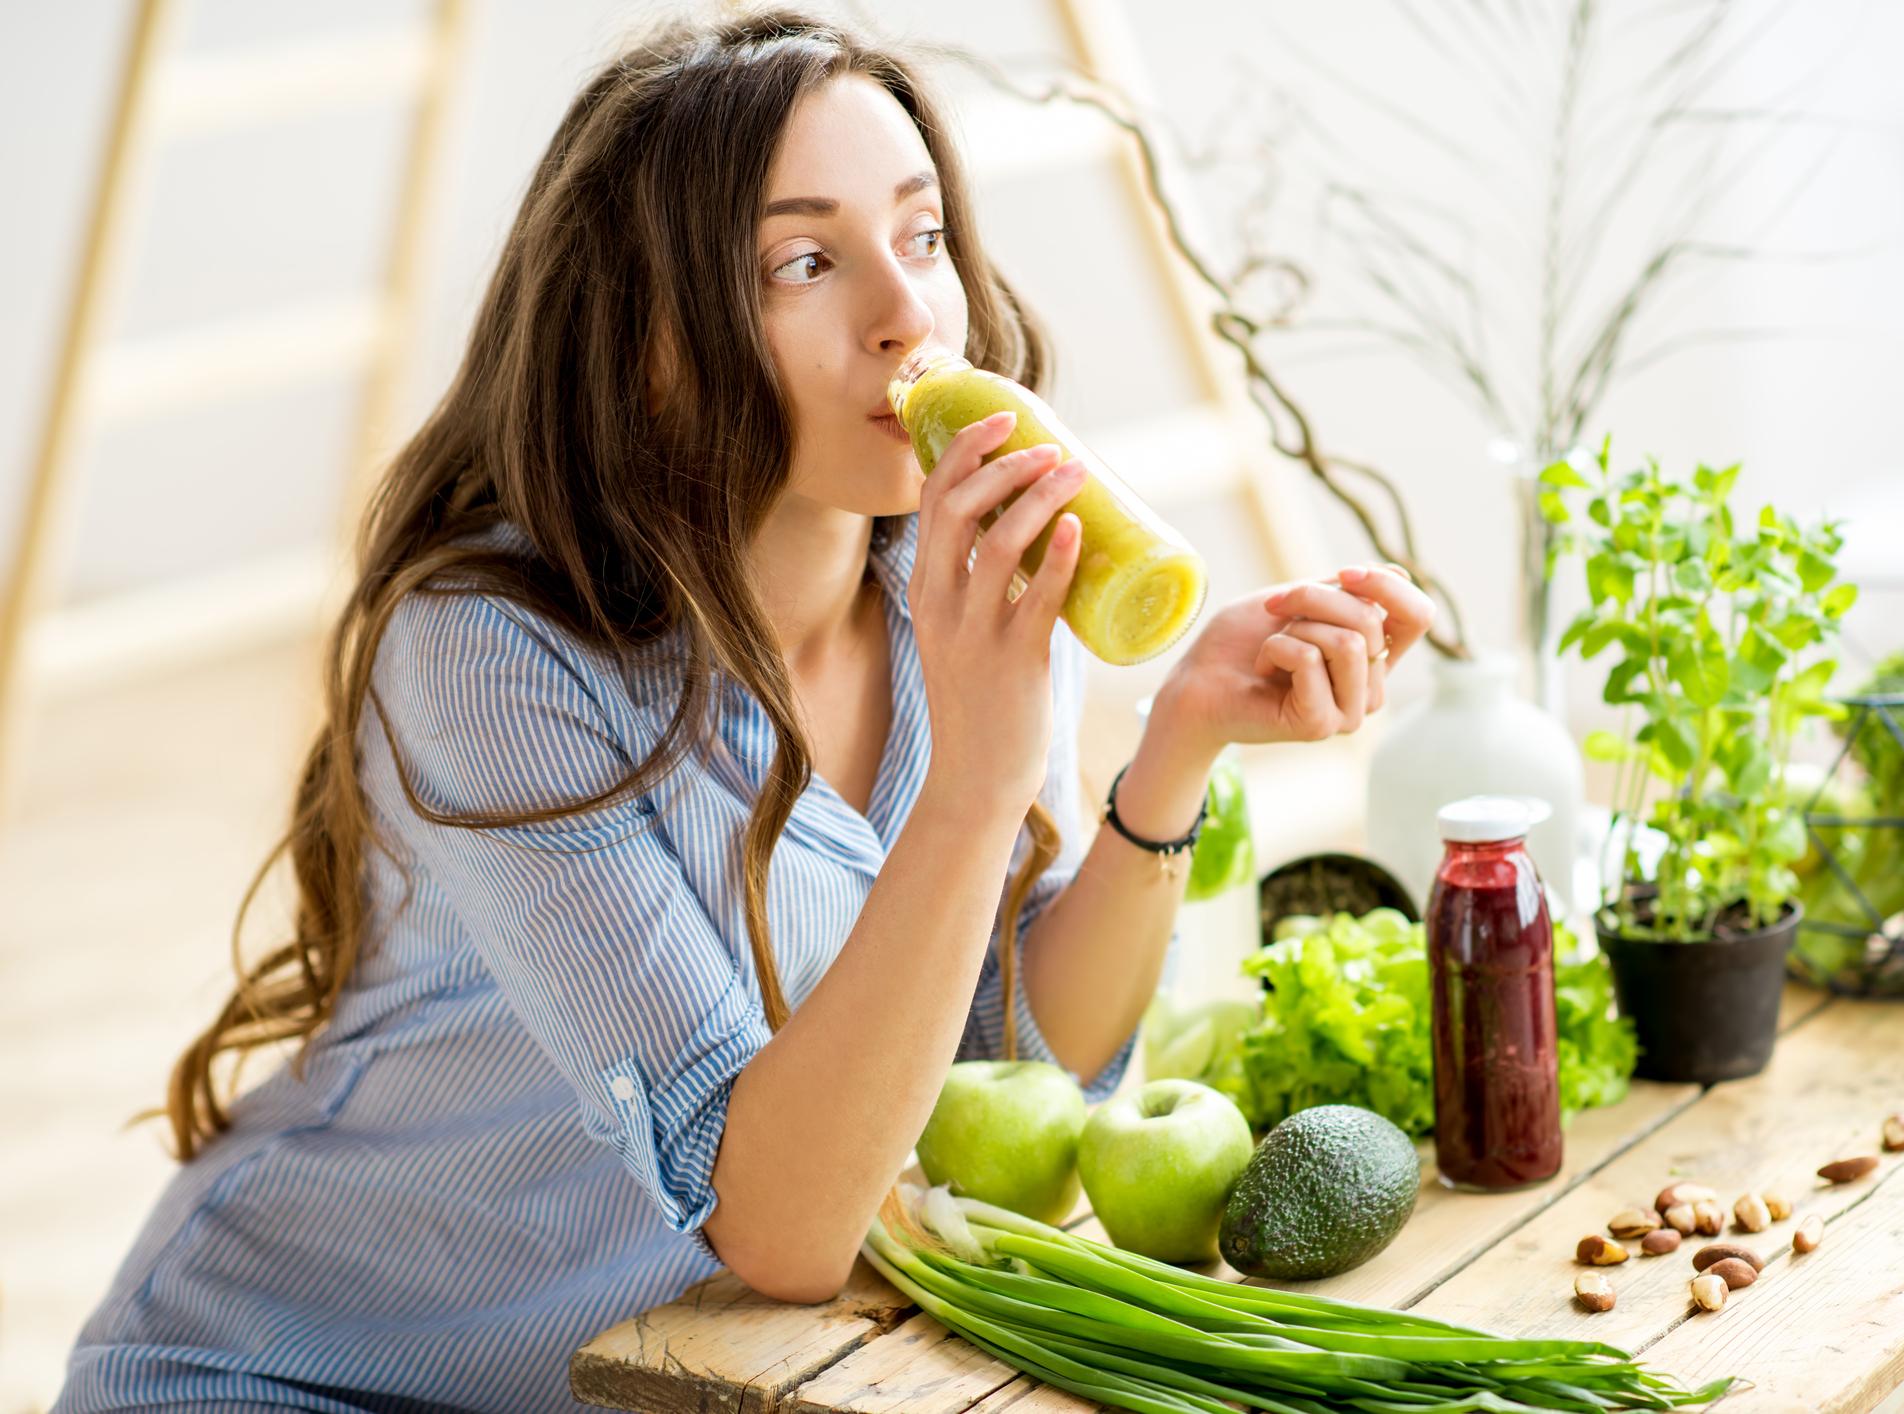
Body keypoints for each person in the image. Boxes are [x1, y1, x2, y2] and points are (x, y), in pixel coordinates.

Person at [53, 11, 1431, 1412]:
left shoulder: (946, 589)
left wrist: (1176, 745)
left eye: (924, 233)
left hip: (646, 1381)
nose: (907, 313)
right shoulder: (489, 658)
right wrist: (979, 773)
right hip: (298, 1374)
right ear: (655, 342)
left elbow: (1004, 1068)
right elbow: (778, 1224)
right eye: (806, 262)